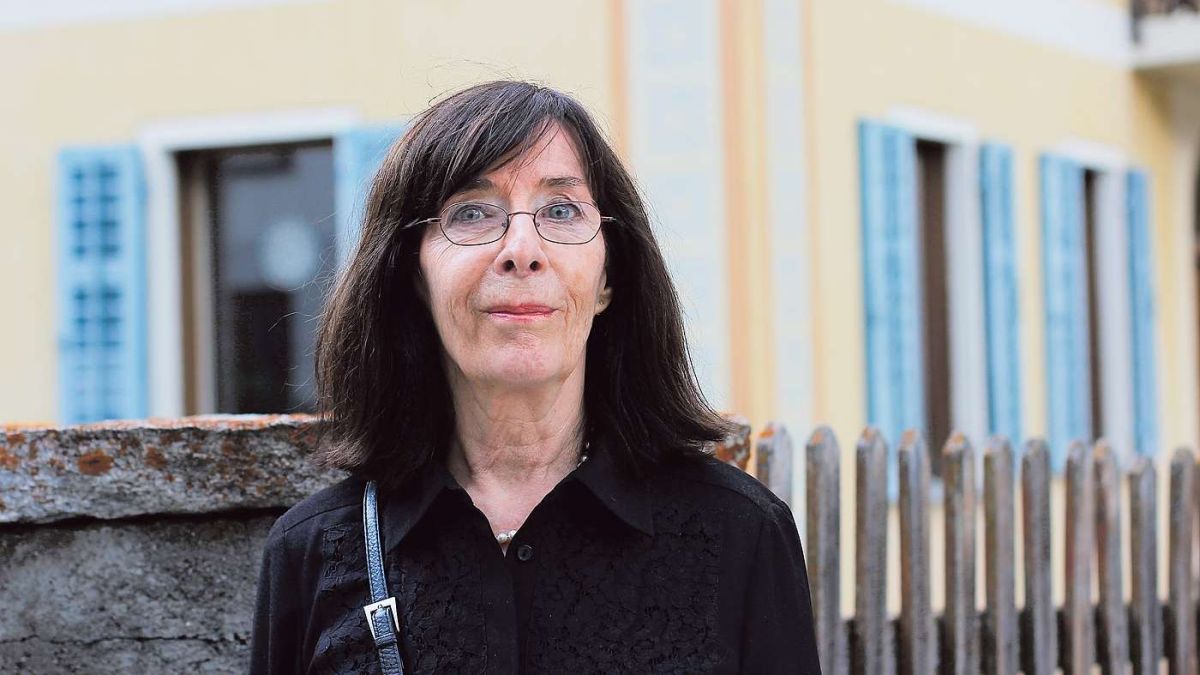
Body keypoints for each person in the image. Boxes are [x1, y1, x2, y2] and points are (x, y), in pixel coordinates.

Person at [249, 80, 821, 674]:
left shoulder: (741, 534)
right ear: (414, 275)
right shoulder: (312, 551)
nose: (521, 250)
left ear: (608, 277)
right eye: (472, 212)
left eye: (561, 210)